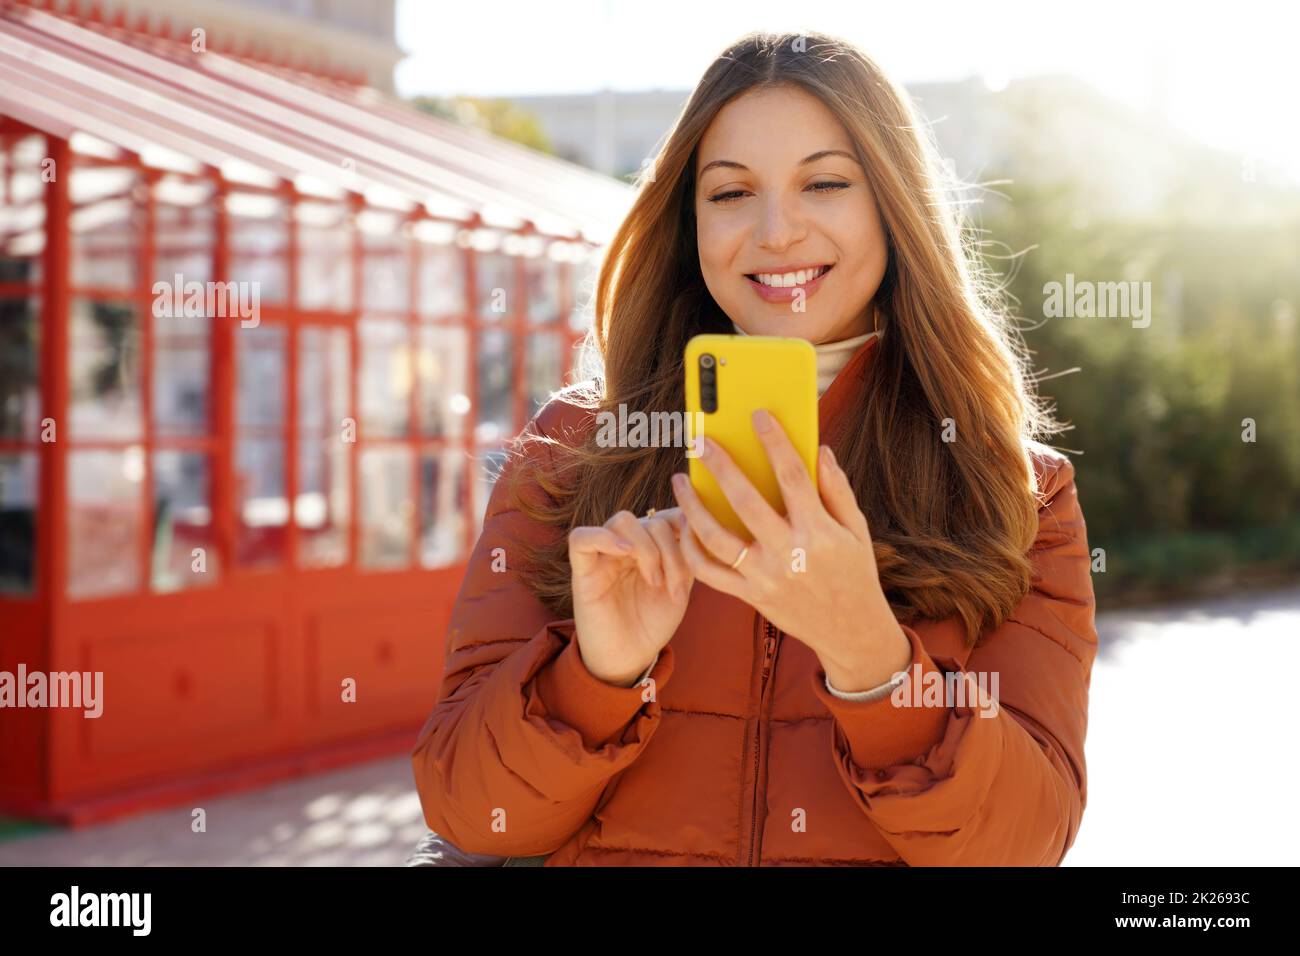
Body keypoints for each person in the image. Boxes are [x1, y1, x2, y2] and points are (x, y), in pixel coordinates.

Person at [411, 30, 1097, 866]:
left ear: (893, 205)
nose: (776, 232)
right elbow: (469, 815)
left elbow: (1022, 846)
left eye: (826, 182)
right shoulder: (572, 450)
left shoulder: (1017, 490)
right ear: (689, 219)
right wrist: (596, 678)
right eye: (731, 193)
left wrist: (871, 660)